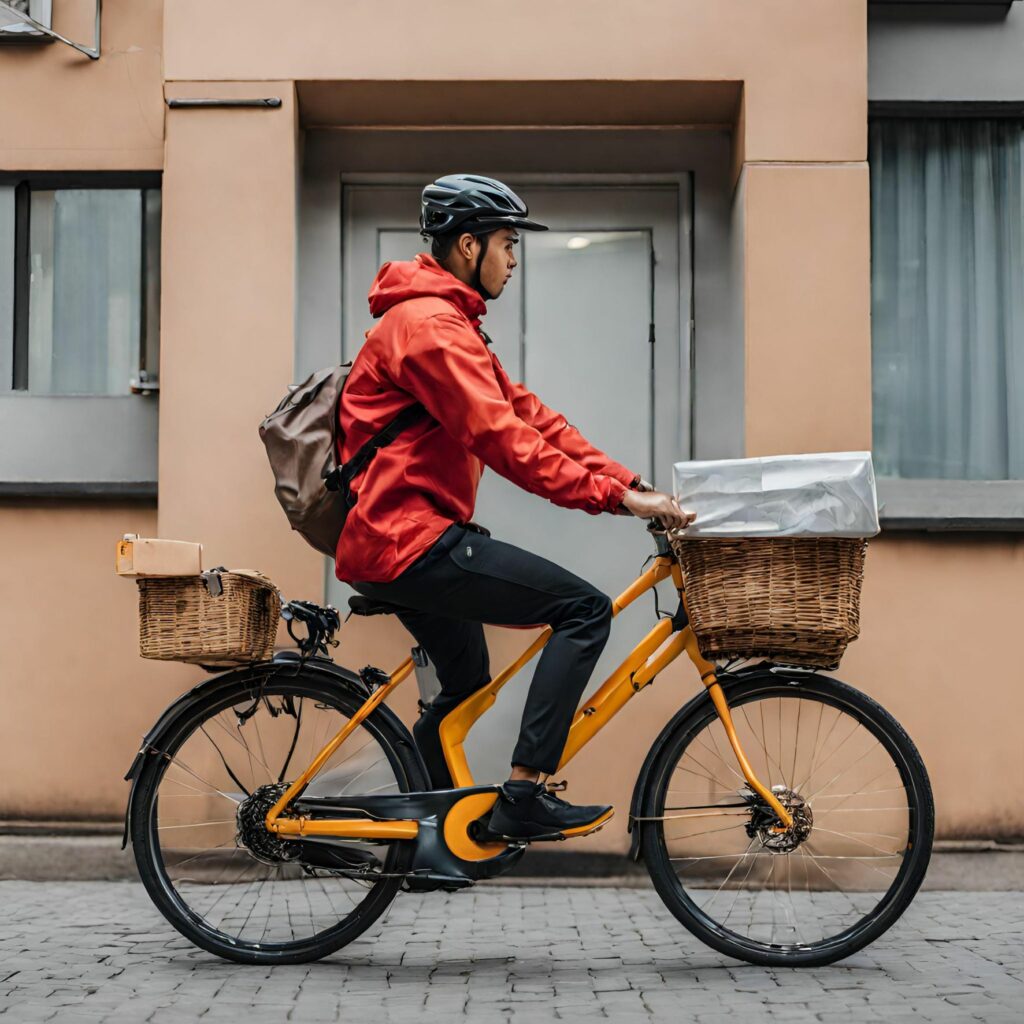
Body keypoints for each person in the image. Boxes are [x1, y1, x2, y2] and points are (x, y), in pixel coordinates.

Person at [335, 174, 695, 841]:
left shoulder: (449, 324)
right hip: (406, 539)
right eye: (506, 243)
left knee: (466, 686)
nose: (514, 258)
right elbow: (505, 443)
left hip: (406, 536)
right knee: (582, 611)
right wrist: (614, 500)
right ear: (467, 246)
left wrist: (627, 482)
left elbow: (533, 419)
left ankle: (423, 833)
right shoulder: (429, 329)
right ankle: (524, 794)